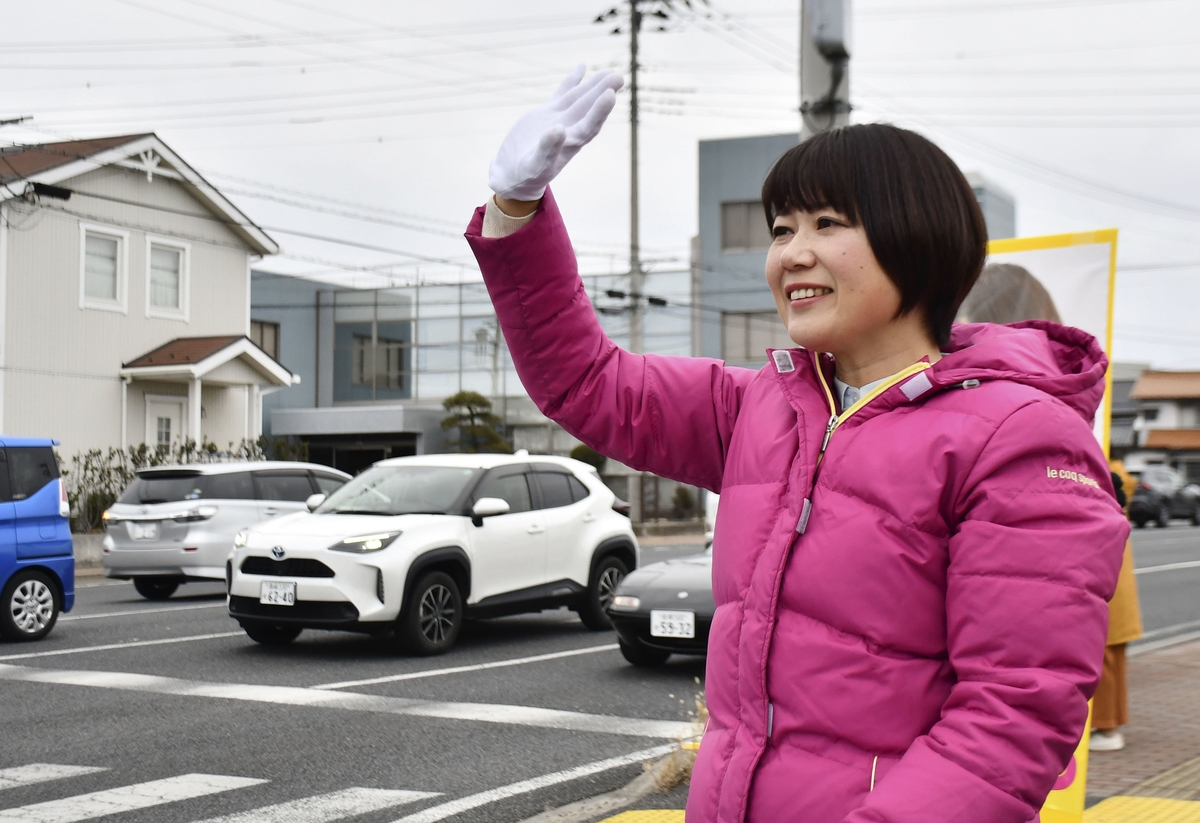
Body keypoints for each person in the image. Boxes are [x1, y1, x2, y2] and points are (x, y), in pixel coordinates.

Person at [465, 67, 1129, 823]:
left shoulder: (1020, 438)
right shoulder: (763, 407)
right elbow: (587, 381)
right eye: (782, 229)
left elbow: (1012, 718)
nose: (790, 254)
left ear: (918, 240)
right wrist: (516, 213)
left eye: (826, 224)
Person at [1090, 462, 1144, 752]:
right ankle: (1109, 725)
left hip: (1106, 583)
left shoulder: (1106, 473)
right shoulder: (1116, 474)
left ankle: (1107, 727)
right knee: (1111, 658)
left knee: (1105, 658)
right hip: (1114, 583)